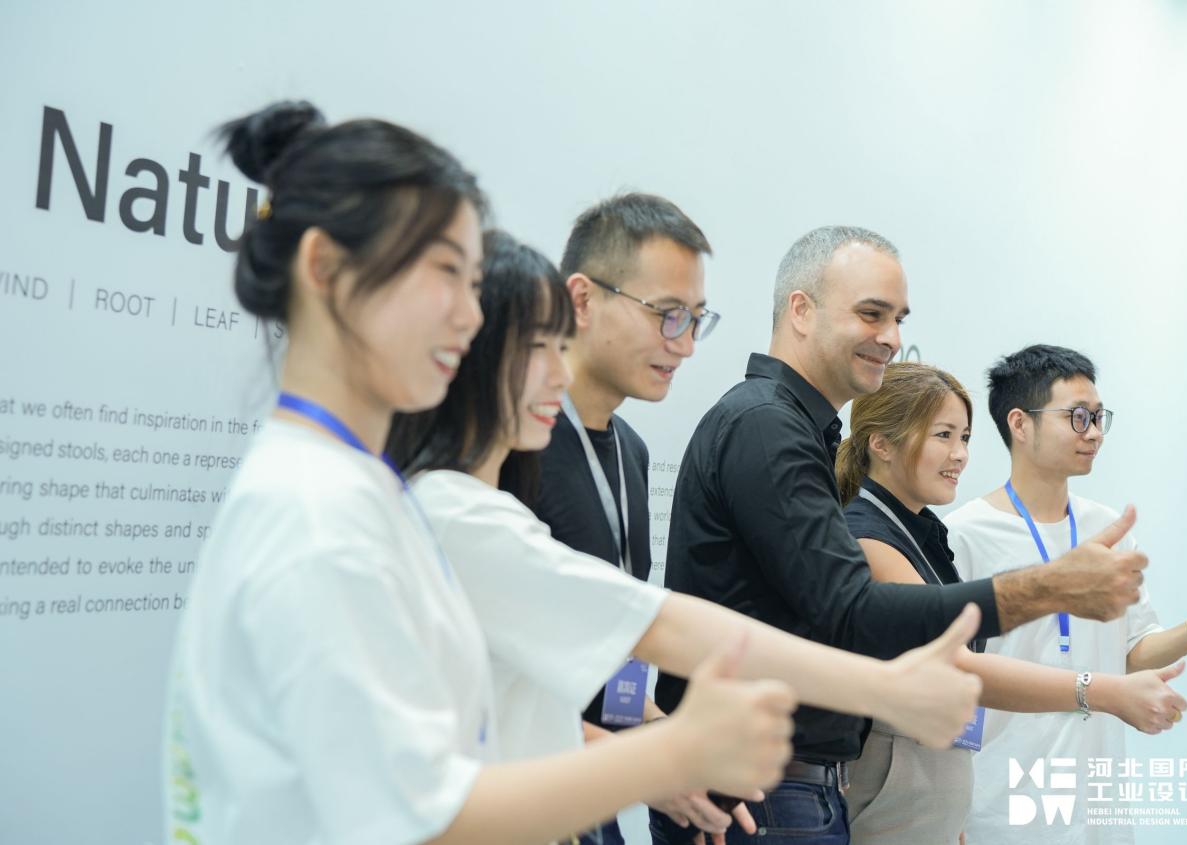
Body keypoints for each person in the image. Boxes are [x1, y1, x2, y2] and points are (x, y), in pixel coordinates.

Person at [163, 101, 801, 845]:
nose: (468, 319)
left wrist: (653, 744)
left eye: (471, 283)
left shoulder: (355, 495)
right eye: (444, 274)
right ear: (324, 269)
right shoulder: (322, 513)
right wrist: (670, 753)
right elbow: (426, 816)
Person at [386, 229, 986, 844]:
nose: (558, 372)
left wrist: (655, 751)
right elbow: (664, 627)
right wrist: (667, 755)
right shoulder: (452, 514)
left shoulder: (607, 459)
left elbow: (588, 673)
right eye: (538, 347)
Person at [655, 226, 1152, 845]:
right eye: (872, 314)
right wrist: (1049, 592)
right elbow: (857, 614)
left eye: (898, 319)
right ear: (801, 310)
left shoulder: (801, 435)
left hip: (791, 787)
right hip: (767, 791)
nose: (891, 337)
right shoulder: (767, 426)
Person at [836, 361, 1187, 845]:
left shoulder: (923, 532)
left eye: (964, 437)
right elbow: (955, 665)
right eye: (943, 435)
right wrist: (1103, 691)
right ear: (881, 443)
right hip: (915, 796)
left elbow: (1133, 645)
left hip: (940, 797)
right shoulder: (878, 534)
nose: (960, 454)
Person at [945, 344, 1187, 845]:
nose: (1094, 433)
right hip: (999, 808)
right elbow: (952, 678)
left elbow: (1129, 654)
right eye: (1078, 417)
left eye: (1099, 417)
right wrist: (948, 811)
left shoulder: (1106, 527)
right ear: (1020, 424)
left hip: (1098, 814)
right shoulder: (965, 534)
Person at [531, 193, 741, 843]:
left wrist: (669, 743)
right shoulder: (509, 444)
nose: (684, 344)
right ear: (582, 299)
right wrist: (643, 765)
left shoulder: (632, 451)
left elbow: (607, 655)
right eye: (666, 314)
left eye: (696, 320)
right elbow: (476, 689)